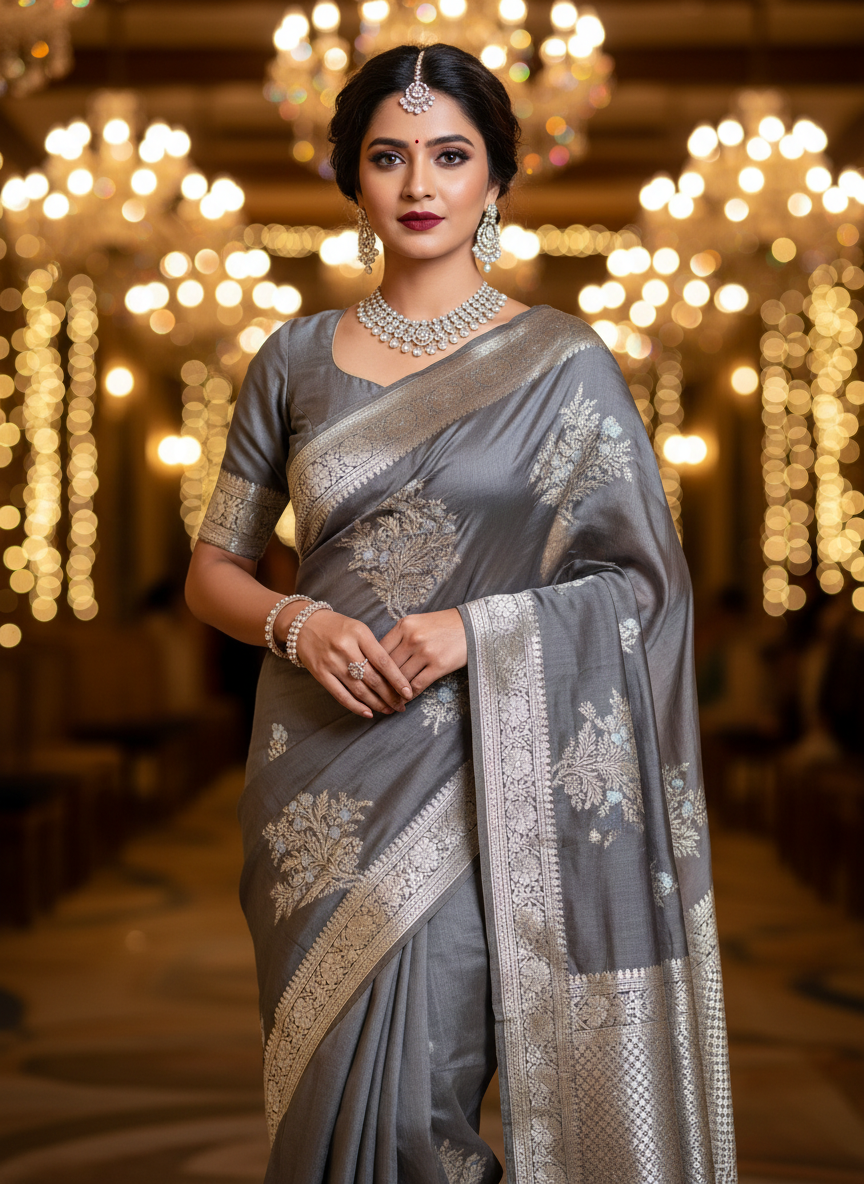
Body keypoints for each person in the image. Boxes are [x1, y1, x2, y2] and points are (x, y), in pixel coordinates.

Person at [185, 42, 737, 1184]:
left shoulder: (563, 365)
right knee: (324, 1100)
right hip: (318, 783)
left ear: (496, 178)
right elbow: (214, 572)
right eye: (389, 157)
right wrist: (298, 623)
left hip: (485, 774)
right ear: (352, 178)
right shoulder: (292, 362)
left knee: (421, 1106)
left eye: (451, 155)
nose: (420, 184)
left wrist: (474, 632)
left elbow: (641, 585)